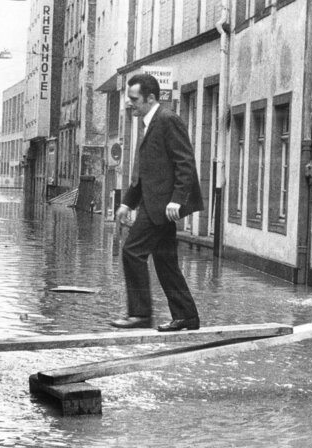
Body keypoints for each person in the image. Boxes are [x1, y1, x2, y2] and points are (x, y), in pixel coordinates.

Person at [111, 73, 204, 332]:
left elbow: (185, 163)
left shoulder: (167, 120)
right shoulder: (150, 123)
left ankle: (140, 315)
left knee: (132, 251)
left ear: (150, 98)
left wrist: (177, 200)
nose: (130, 104)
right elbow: (147, 172)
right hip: (156, 205)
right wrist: (127, 203)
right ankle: (186, 316)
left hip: (162, 207)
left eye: (134, 99)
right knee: (165, 260)